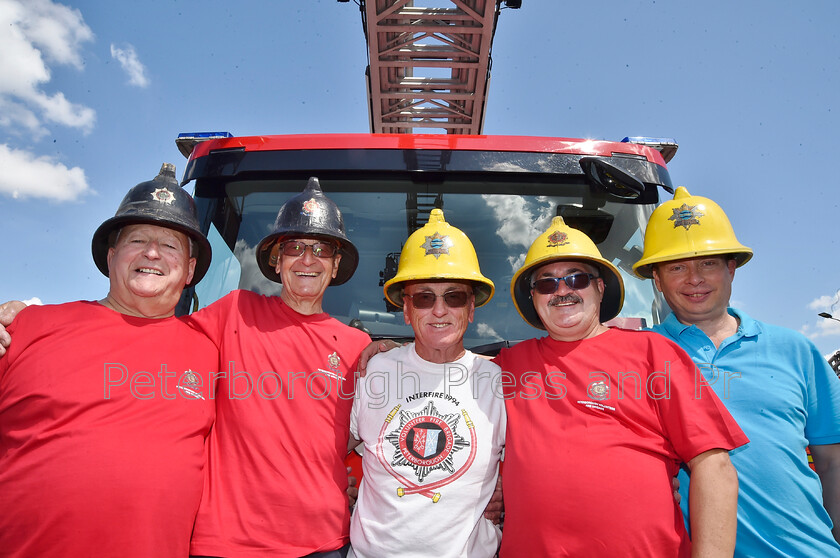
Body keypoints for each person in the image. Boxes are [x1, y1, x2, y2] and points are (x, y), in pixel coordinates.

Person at [494, 215, 747, 557]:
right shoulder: (504, 367)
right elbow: (440, 374)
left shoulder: (654, 352)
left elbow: (713, 466)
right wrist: (394, 355)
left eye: (577, 279)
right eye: (546, 284)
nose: (562, 290)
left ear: (600, 288)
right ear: (533, 298)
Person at [0, 164, 218, 557]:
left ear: (189, 271)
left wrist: (368, 350)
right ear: (112, 254)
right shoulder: (26, 327)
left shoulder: (213, 351)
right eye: (138, 240)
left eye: (170, 245)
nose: (152, 252)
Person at [633, 186, 840, 556]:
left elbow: (832, 462)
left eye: (708, 263)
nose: (693, 278)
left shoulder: (796, 350)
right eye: (677, 266)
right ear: (657, 279)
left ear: (732, 268)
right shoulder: (636, 356)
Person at [185, 177, 372, 558]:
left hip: (322, 541)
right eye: (294, 247)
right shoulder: (233, 311)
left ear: (335, 266)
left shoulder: (360, 347)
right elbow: (157, 341)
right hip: (226, 541)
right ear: (276, 260)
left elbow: (378, 429)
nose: (307, 259)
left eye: (321, 248)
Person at [348, 209, 505, 558]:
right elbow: (320, 447)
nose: (439, 310)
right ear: (406, 311)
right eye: (423, 297)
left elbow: (542, 461)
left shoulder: (500, 383)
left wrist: (505, 485)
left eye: (454, 297)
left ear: (472, 309)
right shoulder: (373, 371)